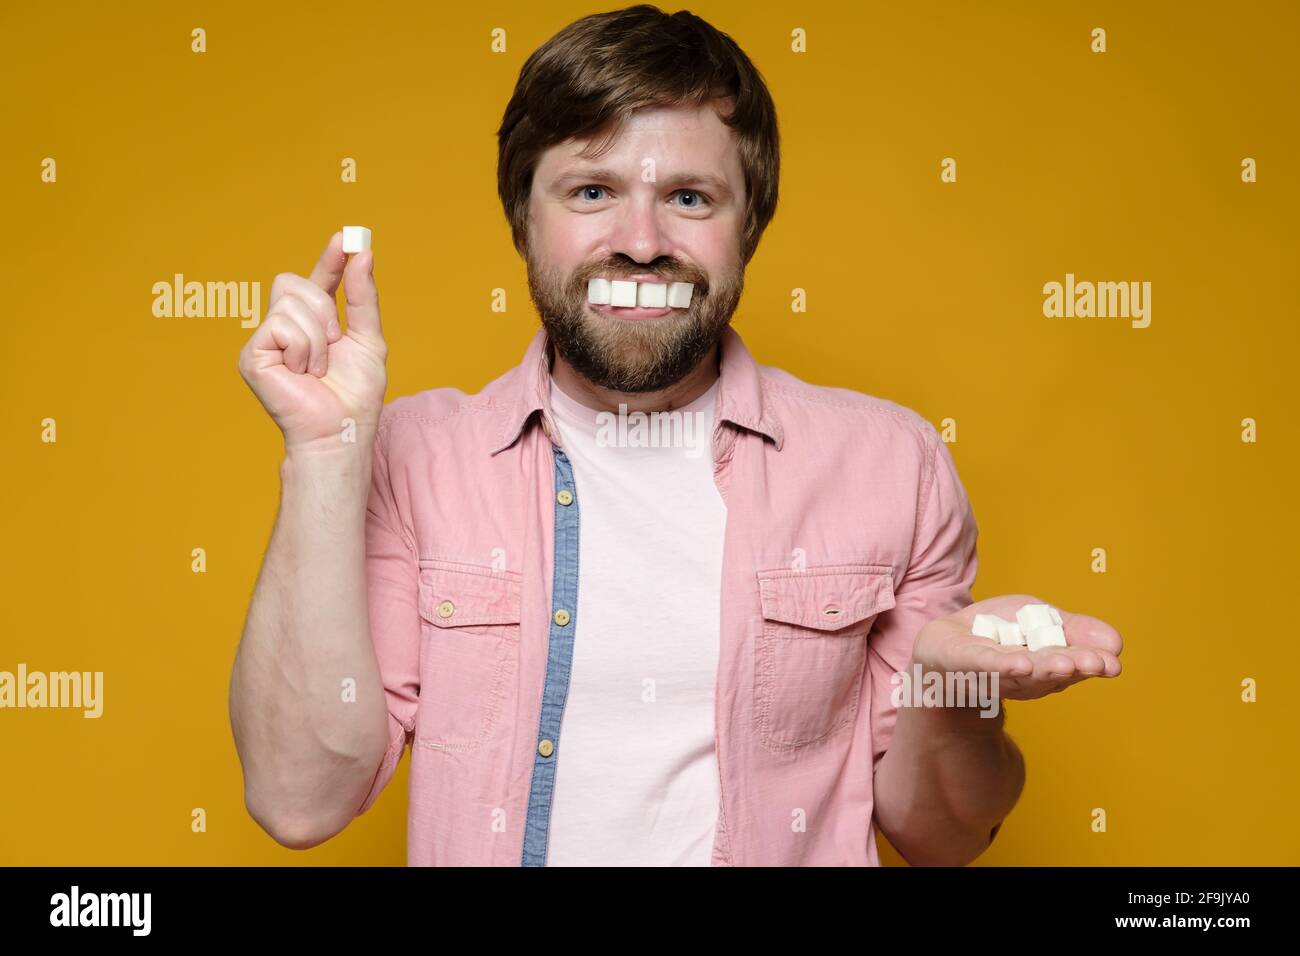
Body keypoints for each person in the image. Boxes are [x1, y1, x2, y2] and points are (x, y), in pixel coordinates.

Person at [230, 4, 1122, 866]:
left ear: (751, 226)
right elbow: (298, 800)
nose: (643, 241)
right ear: (523, 218)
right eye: (592, 190)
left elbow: (945, 835)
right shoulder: (417, 458)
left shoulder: (895, 464)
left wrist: (951, 684)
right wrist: (321, 460)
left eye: (690, 196)